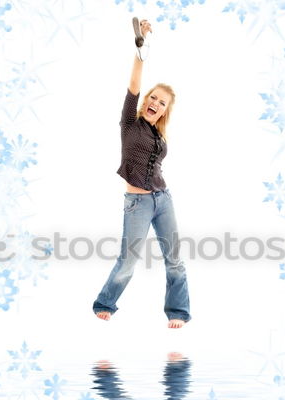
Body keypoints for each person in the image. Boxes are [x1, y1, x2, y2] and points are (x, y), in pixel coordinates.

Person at [93, 18, 191, 328]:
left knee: (175, 260)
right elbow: (133, 87)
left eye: (162, 103)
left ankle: (177, 312)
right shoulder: (129, 124)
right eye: (153, 98)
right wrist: (140, 49)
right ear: (146, 100)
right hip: (137, 204)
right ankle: (105, 302)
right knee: (128, 262)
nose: (155, 103)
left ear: (164, 111)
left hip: (163, 199)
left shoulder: (159, 134)